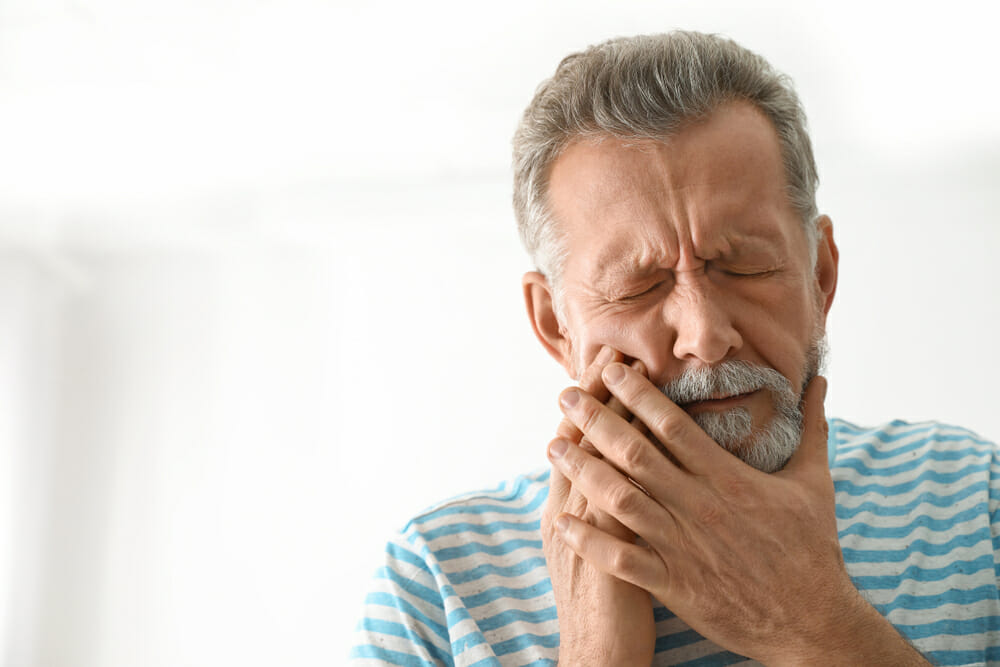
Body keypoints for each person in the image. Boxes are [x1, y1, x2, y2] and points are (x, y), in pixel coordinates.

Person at [349, 31, 1000, 666]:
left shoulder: (977, 500)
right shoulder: (434, 587)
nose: (706, 335)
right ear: (555, 325)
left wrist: (814, 624)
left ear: (820, 277)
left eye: (744, 267)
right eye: (639, 286)